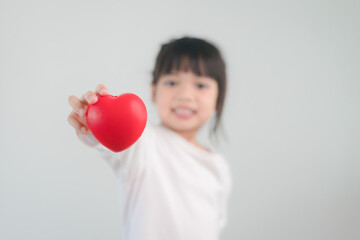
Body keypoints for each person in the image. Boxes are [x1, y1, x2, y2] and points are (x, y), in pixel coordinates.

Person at [67, 36, 232, 240]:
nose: (185, 95)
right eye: (172, 82)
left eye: (200, 85)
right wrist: (93, 124)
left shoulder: (217, 166)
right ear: (154, 92)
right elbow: (115, 141)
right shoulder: (144, 143)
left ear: (219, 98)